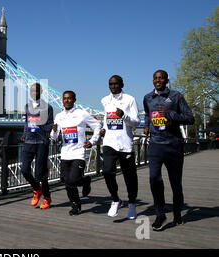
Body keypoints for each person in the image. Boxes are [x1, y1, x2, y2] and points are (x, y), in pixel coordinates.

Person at [143, 70, 194, 231]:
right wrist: (146, 126)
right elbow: (147, 114)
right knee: (154, 179)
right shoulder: (147, 98)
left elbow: (190, 118)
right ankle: (160, 214)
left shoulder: (176, 96)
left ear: (166, 80)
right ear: (153, 81)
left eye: (161, 78)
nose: (158, 80)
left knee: (175, 183)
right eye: (155, 78)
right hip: (156, 145)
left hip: (173, 144)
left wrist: (171, 114)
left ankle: (177, 212)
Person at [51, 91, 101, 215]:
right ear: (62, 100)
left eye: (69, 98)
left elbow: (97, 126)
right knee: (66, 181)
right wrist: (54, 132)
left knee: (72, 180)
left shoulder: (82, 114)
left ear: (74, 100)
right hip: (65, 153)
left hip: (78, 153)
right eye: (64, 98)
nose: (67, 100)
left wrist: (92, 141)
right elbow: (54, 137)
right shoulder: (59, 116)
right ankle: (80, 194)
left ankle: (80, 194)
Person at [100, 75, 140, 219]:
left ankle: (132, 203)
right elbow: (107, 119)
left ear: (122, 84)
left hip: (125, 144)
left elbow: (136, 122)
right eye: (111, 84)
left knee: (130, 177)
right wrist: (103, 128)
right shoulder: (105, 100)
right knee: (106, 171)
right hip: (109, 142)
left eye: (116, 84)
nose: (114, 86)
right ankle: (116, 200)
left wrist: (124, 116)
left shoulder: (130, 99)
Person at [21, 83, 54, 209]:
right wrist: (25, 133)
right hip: (29, 141)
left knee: (41, 174)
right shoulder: (27, 106)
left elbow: (50, 125)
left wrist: (41, 125)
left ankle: (47, 197)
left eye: (36, 90)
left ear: (41, 92)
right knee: (24, 170)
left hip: (41, 142)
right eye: (32, 90)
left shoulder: (48, 107)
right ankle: (37, 189)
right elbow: (26, 122)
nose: (34, 92)